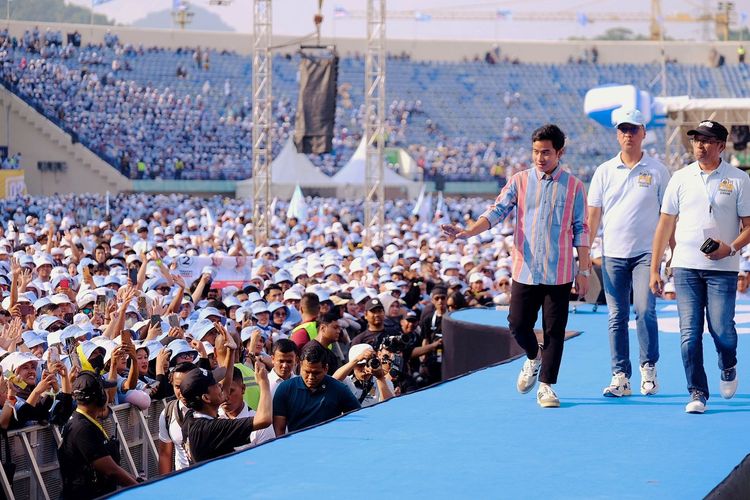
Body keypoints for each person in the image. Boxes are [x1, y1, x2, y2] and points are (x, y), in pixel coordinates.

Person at [442, 124, 591, 408]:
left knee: (555, 331)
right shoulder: (520, 181)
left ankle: (547, 385)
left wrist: (584, 271)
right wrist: (468, 231)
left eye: (546, 152)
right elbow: (497, 210)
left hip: (559, 271)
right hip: (525, 269)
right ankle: (533, 357)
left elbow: (581, 229)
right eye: (535, 152)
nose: (539, 158)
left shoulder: (574, 187)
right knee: (518, 324)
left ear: (560, 152)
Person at [650, 120, 750, 414]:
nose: (700, 145)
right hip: (685, 267)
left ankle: (727, 363)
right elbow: (665, 224)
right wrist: (655, 267)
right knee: (689, 334)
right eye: (696, 140)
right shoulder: (680, 178)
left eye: (707, 140)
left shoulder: (739, 179)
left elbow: (749, 226)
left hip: (724, 267)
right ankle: (697, 391)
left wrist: (729, 248)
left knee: (723, 331)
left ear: (721, 146)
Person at [587, 108, 670, 398]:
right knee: (615, 316)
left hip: (647, 254)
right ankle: (620, 375)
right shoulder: (604, 171)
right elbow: (593, 215)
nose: (628, 134)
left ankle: (649, 369)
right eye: (623, 129)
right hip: (613, 255)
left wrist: (669, 256)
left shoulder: (658, 171)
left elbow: (668, 216)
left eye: (633, 129)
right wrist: (585, 251)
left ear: (643, 132)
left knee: (645, 310)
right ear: (617, 134)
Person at [58, 371, 138, 499]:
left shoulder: (84, 422)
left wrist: (136, 480)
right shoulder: (82, 428)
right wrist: (141, 488)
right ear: (99, 397)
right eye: (105, 391)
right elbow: (111, 470)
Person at [179, 361, 271, 463]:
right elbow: (264, 419)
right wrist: (264, 383)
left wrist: (231, 352)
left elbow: (225, 392)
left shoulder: (190, 416)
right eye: (214, 383)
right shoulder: (211, 429)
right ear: (206, 397)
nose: (219, 385)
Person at [273, 342, 360, 435]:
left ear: (325, 368)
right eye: (306, 372)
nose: (310, 377)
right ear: (300, 365)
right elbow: (279, 430)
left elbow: (358, 417)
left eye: (316, 373)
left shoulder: (339, 389)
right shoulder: (285, 389)